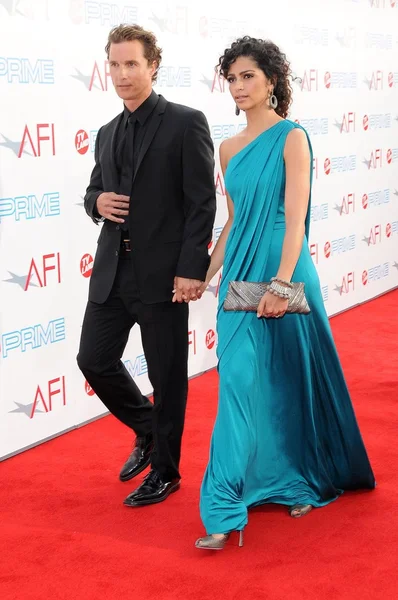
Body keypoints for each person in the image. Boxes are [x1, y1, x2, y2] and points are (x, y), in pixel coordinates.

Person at [194, 36, 375, 550]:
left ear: (272, 80)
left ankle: (300, 478)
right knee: (237, 384)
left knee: (291, 385)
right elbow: (233, 223)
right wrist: (205, 275)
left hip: (286, 274)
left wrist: (281, 284)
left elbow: (296, 221)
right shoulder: (228, 148)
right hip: (239, 280)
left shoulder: (293, 138)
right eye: (231, 78)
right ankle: (225, 508)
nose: (239, 85)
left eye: (248, 75)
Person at [77, 24, 216, 507]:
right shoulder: (106, 133)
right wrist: (98, 202)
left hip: (164, 275)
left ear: (153, 65)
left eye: (131, 63)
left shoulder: (185, 122)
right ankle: (148, 428)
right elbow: (93, 191)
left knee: (167, 377)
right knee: (92, 359)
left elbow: (201, 203)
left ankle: (167, 472)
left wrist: (192, 269)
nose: (121, 74)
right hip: (113, 272)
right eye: (114, 64)